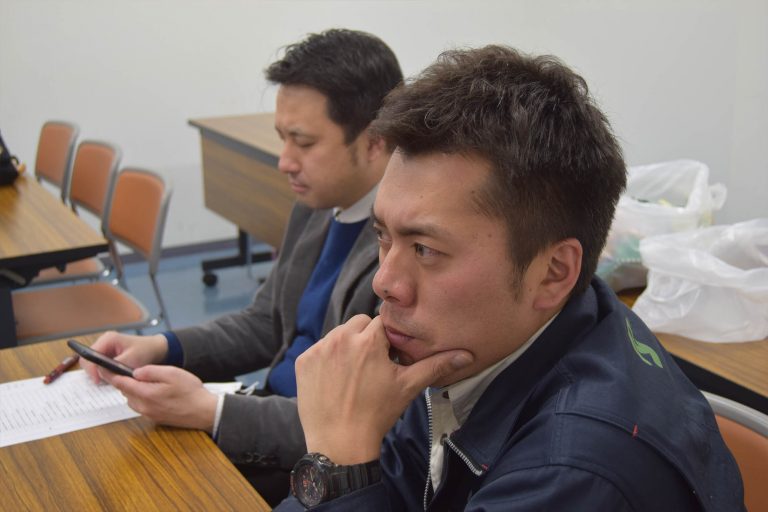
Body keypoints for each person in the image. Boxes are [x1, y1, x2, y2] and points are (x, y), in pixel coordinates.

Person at [277, 46, 745, 510]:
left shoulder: (573, 471)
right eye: (383, 236)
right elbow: (405, 485)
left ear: (554, 273)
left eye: (425, 249)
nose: (385, 282)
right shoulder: (474, 342)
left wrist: (339, 461)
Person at [80, 28, 403, 505]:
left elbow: (361, 425)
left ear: (375, 141)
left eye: (303, 142)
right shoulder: (317, 207)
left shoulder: (400, 256)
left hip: (315, 458)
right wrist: (160, 346)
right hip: (269, 412)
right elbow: (265, 323)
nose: (284, 162)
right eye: (282, 139)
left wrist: (213, 412)